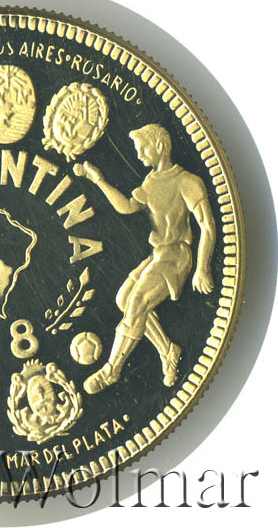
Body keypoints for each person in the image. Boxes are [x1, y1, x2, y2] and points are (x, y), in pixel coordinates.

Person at [73, 123, 216, 394]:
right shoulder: (151, 181)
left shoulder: (188, 182)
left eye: (143, 149)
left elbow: (207, 226)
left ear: (160, 146)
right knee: (124, 299)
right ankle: (168, 350)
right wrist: (98, 180)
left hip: (176, 258)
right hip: (158, 255)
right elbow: (127, 207)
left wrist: (203, 267)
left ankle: (111, 370)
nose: (138, 155)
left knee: (137, 302)